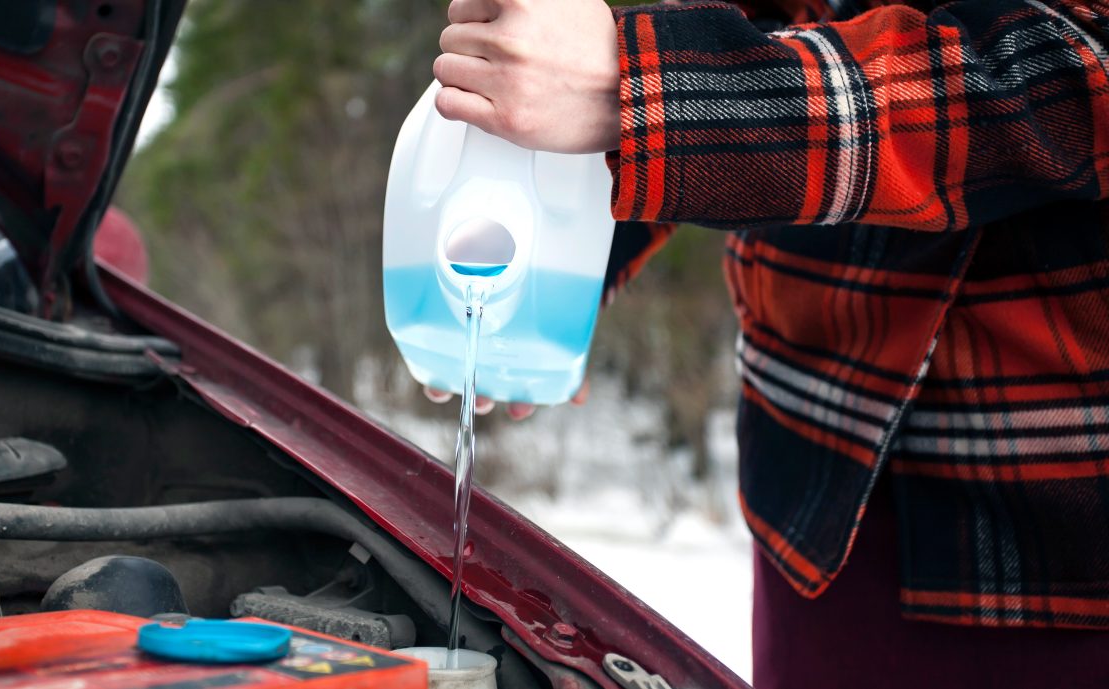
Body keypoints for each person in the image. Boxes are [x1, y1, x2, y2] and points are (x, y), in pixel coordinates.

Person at [430, 0, 1109, 687]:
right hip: (811, 476)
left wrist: (639, 87)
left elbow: (1073, 71)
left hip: (1053, 530)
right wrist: (566, 243)